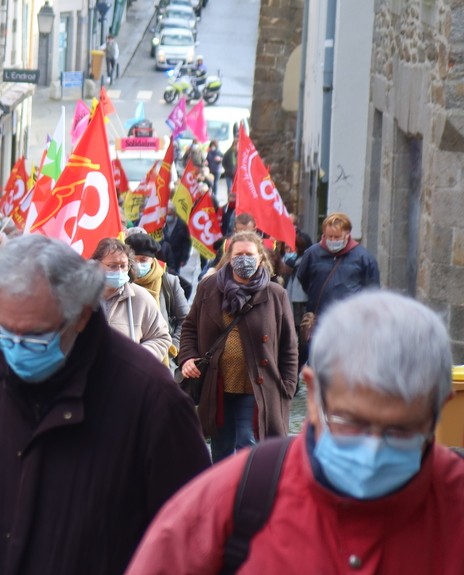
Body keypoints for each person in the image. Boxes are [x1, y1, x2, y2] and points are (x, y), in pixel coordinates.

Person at [127, 291, 464, 574]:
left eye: (401, 429)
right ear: (314, 395)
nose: (373, 450)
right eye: (351, 422)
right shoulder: (232, 499)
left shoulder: (455, 502)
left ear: (438, 408)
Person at [0, 234, 211, 574]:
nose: (16, 346)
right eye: (6, 329)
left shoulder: (151, 397)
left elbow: (190, 533)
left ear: (82, 315)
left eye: (36, 333)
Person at [179, 231, 298, 463]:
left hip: (256, 388)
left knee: (248, 442)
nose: (244, 259)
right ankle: (223, 494)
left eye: (249, 254)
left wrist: (287, 387)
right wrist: (187, 358)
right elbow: (189, 327)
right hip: (218, 386)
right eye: (239, 254)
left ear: (261, 258)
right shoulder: (209, 288)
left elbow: (289, 345)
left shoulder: (275, 294)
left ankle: (248, 492)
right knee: (221, 447)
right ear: (229, 257)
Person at [91, 238, 172, 361]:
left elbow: (161, 338)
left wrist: (136, 357)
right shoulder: (79, 295)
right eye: (112, 266)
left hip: (122, 377)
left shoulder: (141, 298)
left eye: (123, 266)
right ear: (97, 265)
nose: (119, 271)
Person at [296, 212, 380, 317]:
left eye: (337, 237)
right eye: (329, 237)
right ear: (324, 235)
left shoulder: (364, 257)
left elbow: (372, 290)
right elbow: (304, 279)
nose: (333, 240)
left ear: (347, 234)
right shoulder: (312, 254)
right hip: (320, 318)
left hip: (351, 320)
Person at [127, 233, 189, 352]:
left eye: (143, 260)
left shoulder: (169, 282)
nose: (138, 264)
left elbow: (186, 320)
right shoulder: (123, 283)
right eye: (133, 260)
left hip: (162, 355)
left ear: (152, 259)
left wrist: (173, 346)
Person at [161, 203, 192, 275]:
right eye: (167, 214)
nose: (168, 216)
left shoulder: (181, 225)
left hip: (176, 257)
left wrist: (184, 259)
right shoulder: (161, 223)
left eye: (170, 214)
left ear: (174, 213)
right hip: (164, 256)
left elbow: (186, 243)